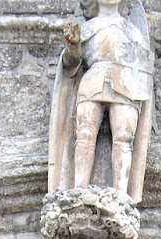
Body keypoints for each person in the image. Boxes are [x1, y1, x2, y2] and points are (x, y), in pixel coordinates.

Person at [48, 0, 154, 202]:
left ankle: (121, 193)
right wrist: (73, 46)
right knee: (85, 134)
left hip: (125, 83)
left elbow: (143, 68)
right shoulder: (87, 28)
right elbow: (71, 64)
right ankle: (79, 188)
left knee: (124, 138)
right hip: (93, 80)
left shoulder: (132, 31)